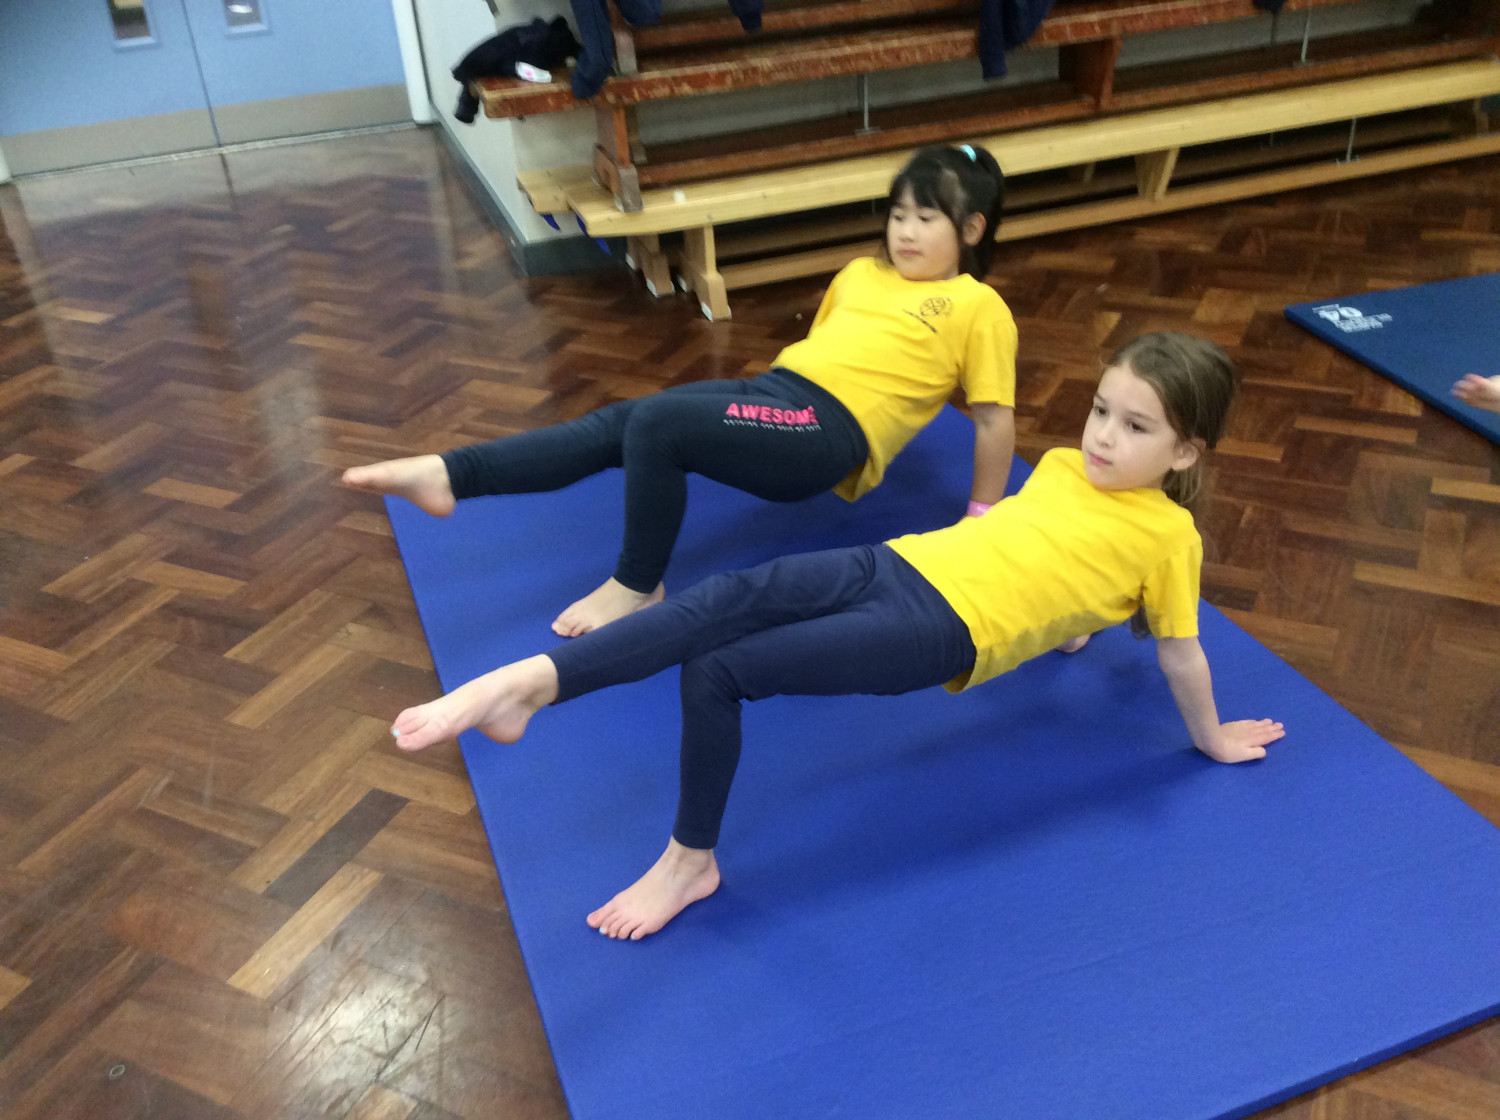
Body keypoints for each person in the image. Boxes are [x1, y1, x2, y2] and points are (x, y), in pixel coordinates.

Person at [389, 331, 1285, 941]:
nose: (1102, 437)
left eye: (1136, 427)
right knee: (727, 594)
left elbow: (1179, 649)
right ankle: (531, 682)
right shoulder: (1059, 466)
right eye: (1100, 410)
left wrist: (1210, 737)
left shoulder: (1171, 537)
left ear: (1184, 453)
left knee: (720, 668)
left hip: (937, 628)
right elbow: (1046, 554)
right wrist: (1073, 622)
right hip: (903, 561)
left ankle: (688, 863)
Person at [343, 145, 1018, 637]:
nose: (905, 231)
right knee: (627, 420)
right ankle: (451, 475)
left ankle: (638, 585)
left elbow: (991, 419)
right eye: (898, 215)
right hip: (780, 393)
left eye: (926, 219)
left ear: (971, 231)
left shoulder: (977, 306)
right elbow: (827, 352)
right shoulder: (861, 274)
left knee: (658, 427)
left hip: (827, 434)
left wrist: (981, 516)